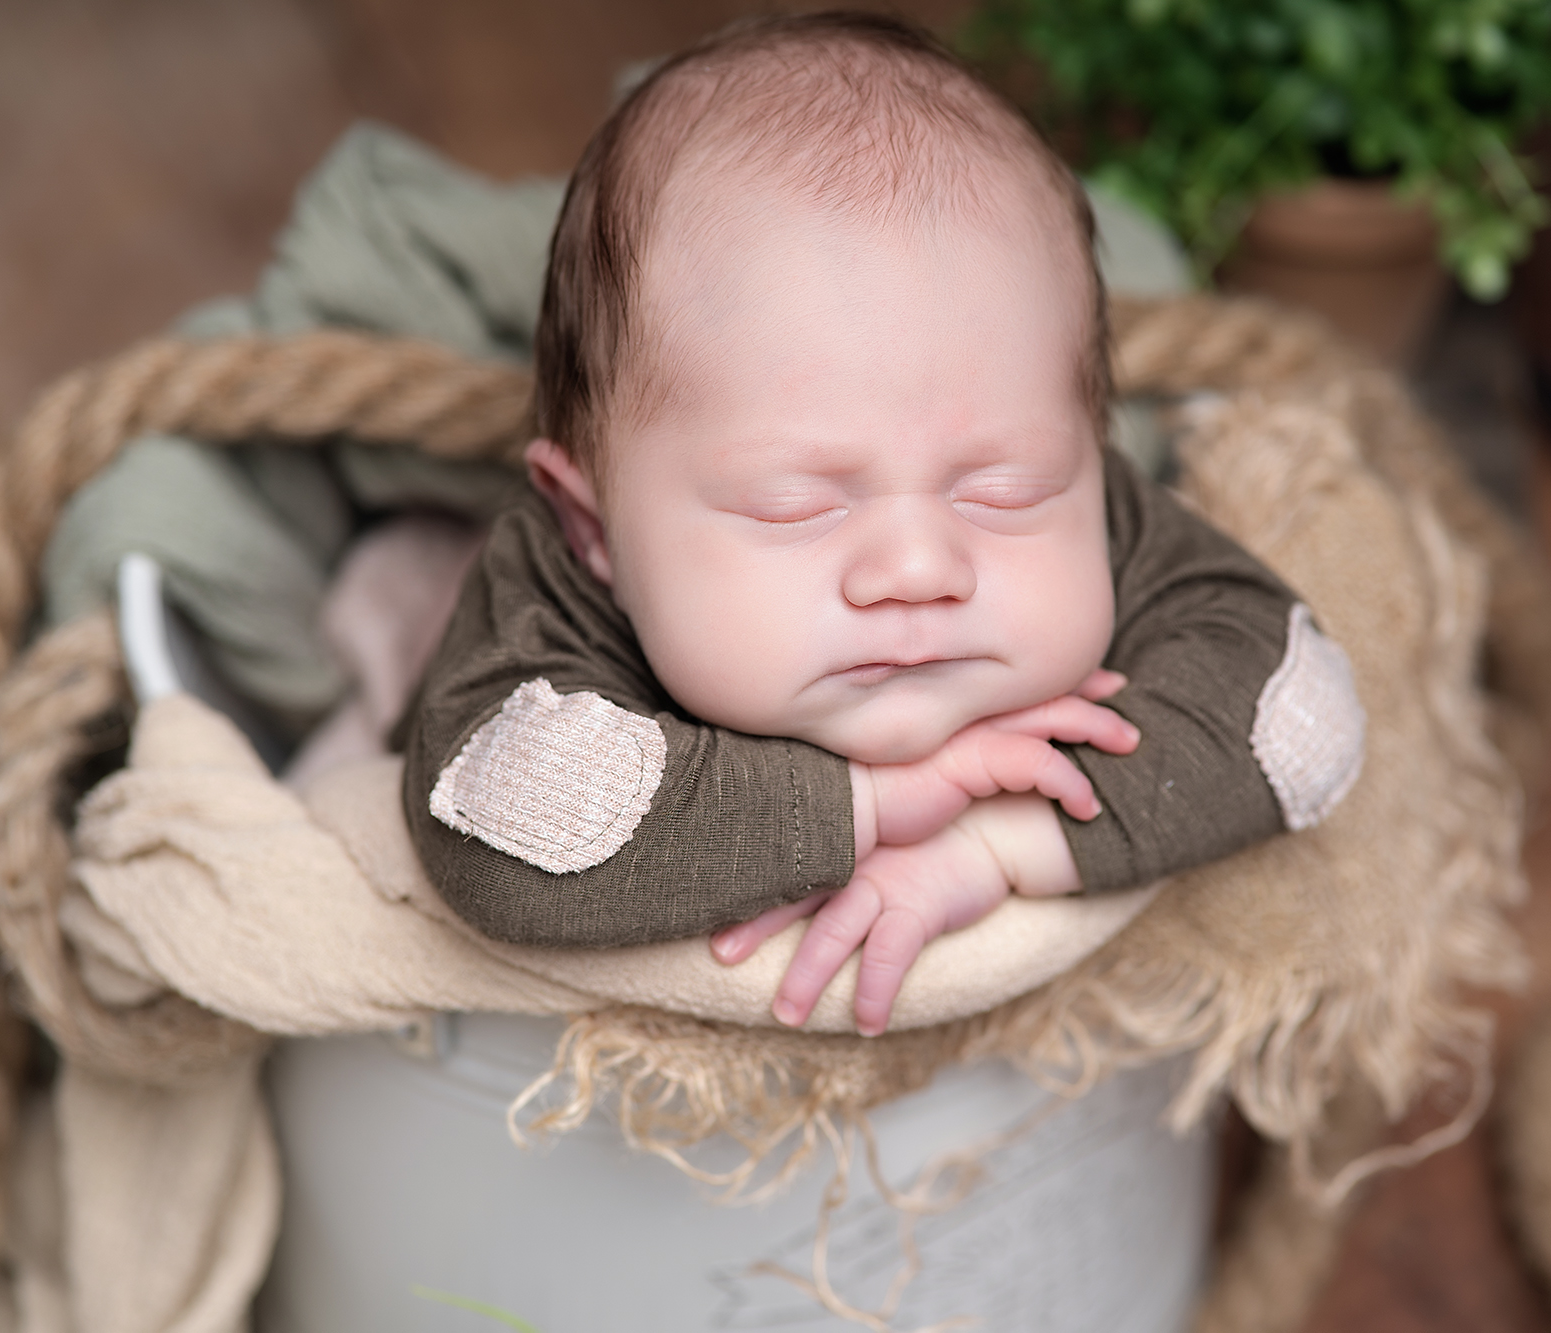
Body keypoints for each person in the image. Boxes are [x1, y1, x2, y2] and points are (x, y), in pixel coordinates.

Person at [400, 12, 1366, 1037]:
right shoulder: (552, 588)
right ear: (592, 530)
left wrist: (993, 842)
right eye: (794, 501)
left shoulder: (1094, 499)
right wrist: (868, 805)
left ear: (1087, 454)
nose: (916, 566)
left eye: (1002, 489)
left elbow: (1297, 717)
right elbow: (495, 830)